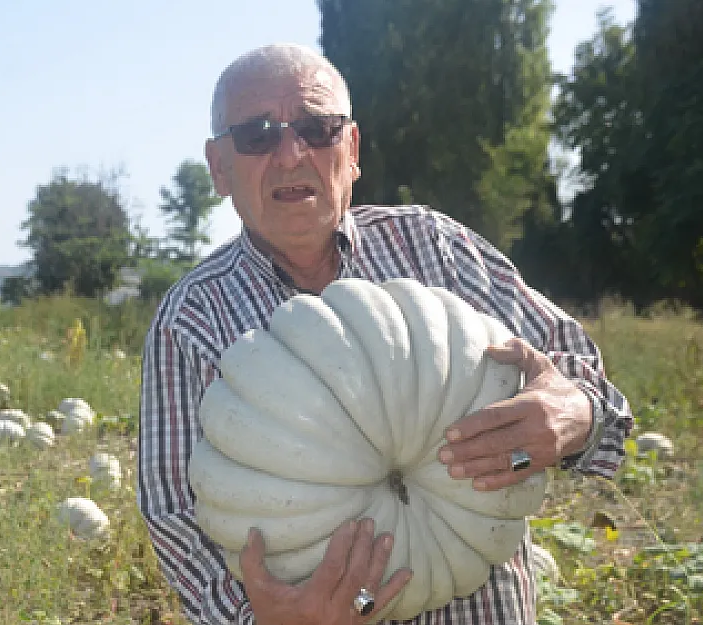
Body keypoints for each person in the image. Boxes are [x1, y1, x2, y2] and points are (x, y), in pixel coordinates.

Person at [137, 42, 632, 625]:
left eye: (318, 129)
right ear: (219, 167)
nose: (292, 154)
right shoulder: (193, 318)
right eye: (258, 136)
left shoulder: (436, 248)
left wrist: (573, 415)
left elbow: (583, 380)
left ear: (351, 150)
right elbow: (174, 514)